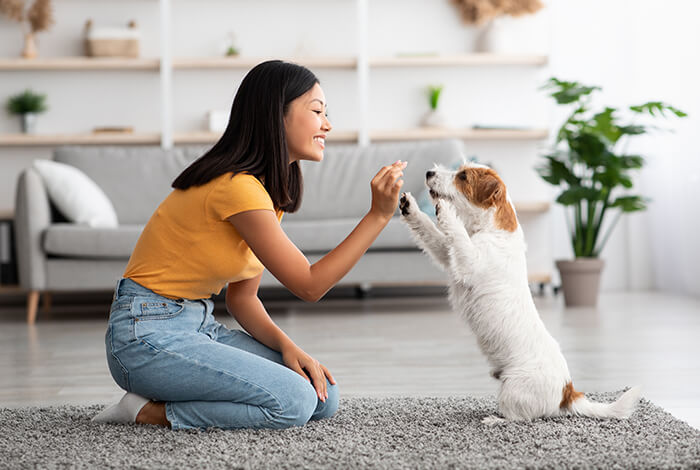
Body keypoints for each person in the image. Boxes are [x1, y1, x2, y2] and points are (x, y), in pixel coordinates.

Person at [92, 60, 407, 430]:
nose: (328, 124)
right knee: (294, 400)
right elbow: (309, 284)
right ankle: (145, 411)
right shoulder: (236, 187)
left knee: (323, 397)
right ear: (278, 115)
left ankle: (176, 392)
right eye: (318, 111)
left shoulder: (264, 192)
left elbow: (242, 299)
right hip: (143, 333)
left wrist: (288, 347)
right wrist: (378, 216)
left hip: (196, 325)